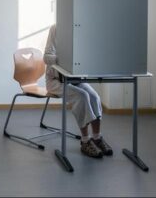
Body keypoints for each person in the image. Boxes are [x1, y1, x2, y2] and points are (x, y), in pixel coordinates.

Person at [43, 24, 113, 158]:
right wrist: (63, 59)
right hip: (55, 81)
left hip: (76, 78)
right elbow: (46, 58)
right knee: (82, 96)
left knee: (94, 97)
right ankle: (85, 140)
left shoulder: (83, 27)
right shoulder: (56, 28)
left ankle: (97, 137)